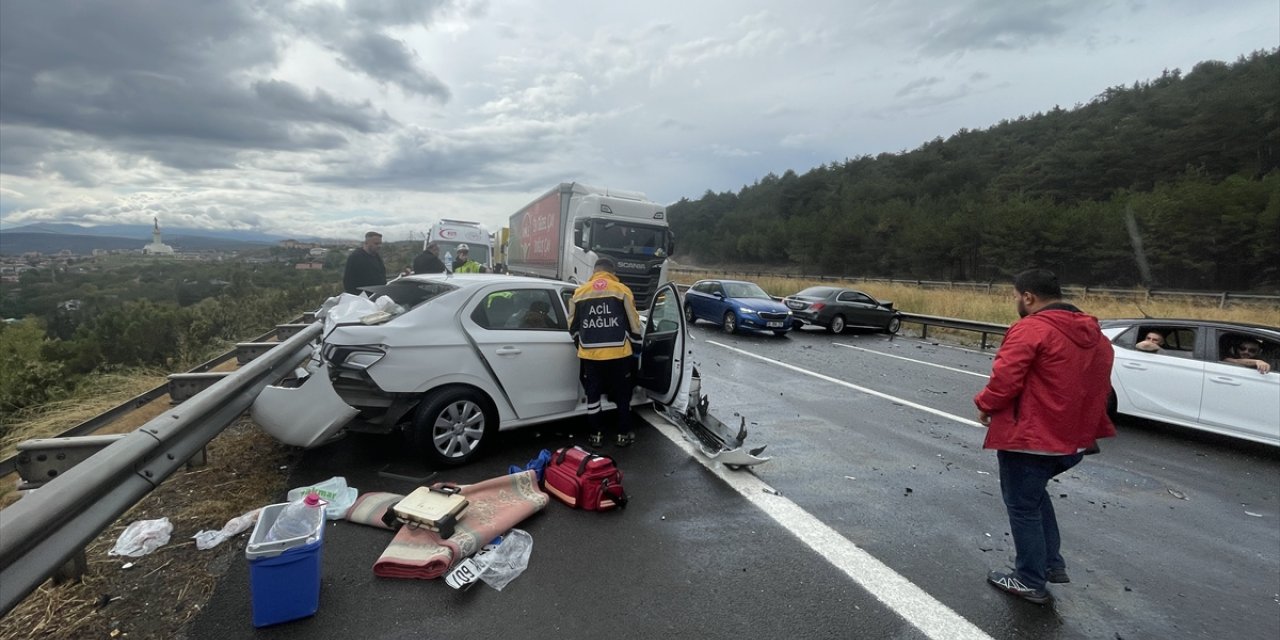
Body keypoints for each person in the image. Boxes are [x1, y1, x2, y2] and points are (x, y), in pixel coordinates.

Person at [974, 268, 1116, 605]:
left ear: (1028, 296)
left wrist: (984, 405)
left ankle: (1029, 579)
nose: (1016, 302)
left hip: (1031, 438)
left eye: (1015, 296)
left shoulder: (1031, 329)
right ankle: (1050, 563)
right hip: (1074, 440)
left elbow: (1006, 379)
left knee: (1022, 506)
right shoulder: (1095, 334)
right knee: (1035, 497)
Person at [568, 256, 643, 448]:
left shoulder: (579, 292)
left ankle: (596, 435)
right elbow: (634, 324)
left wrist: (581, 344)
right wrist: (637, 349)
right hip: (619, 355)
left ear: (595, 272)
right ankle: (622, 435)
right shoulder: (622, 290)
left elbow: (572, 325)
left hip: (591, 357)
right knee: (622, 395)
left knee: (593, 396)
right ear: (613, 272)